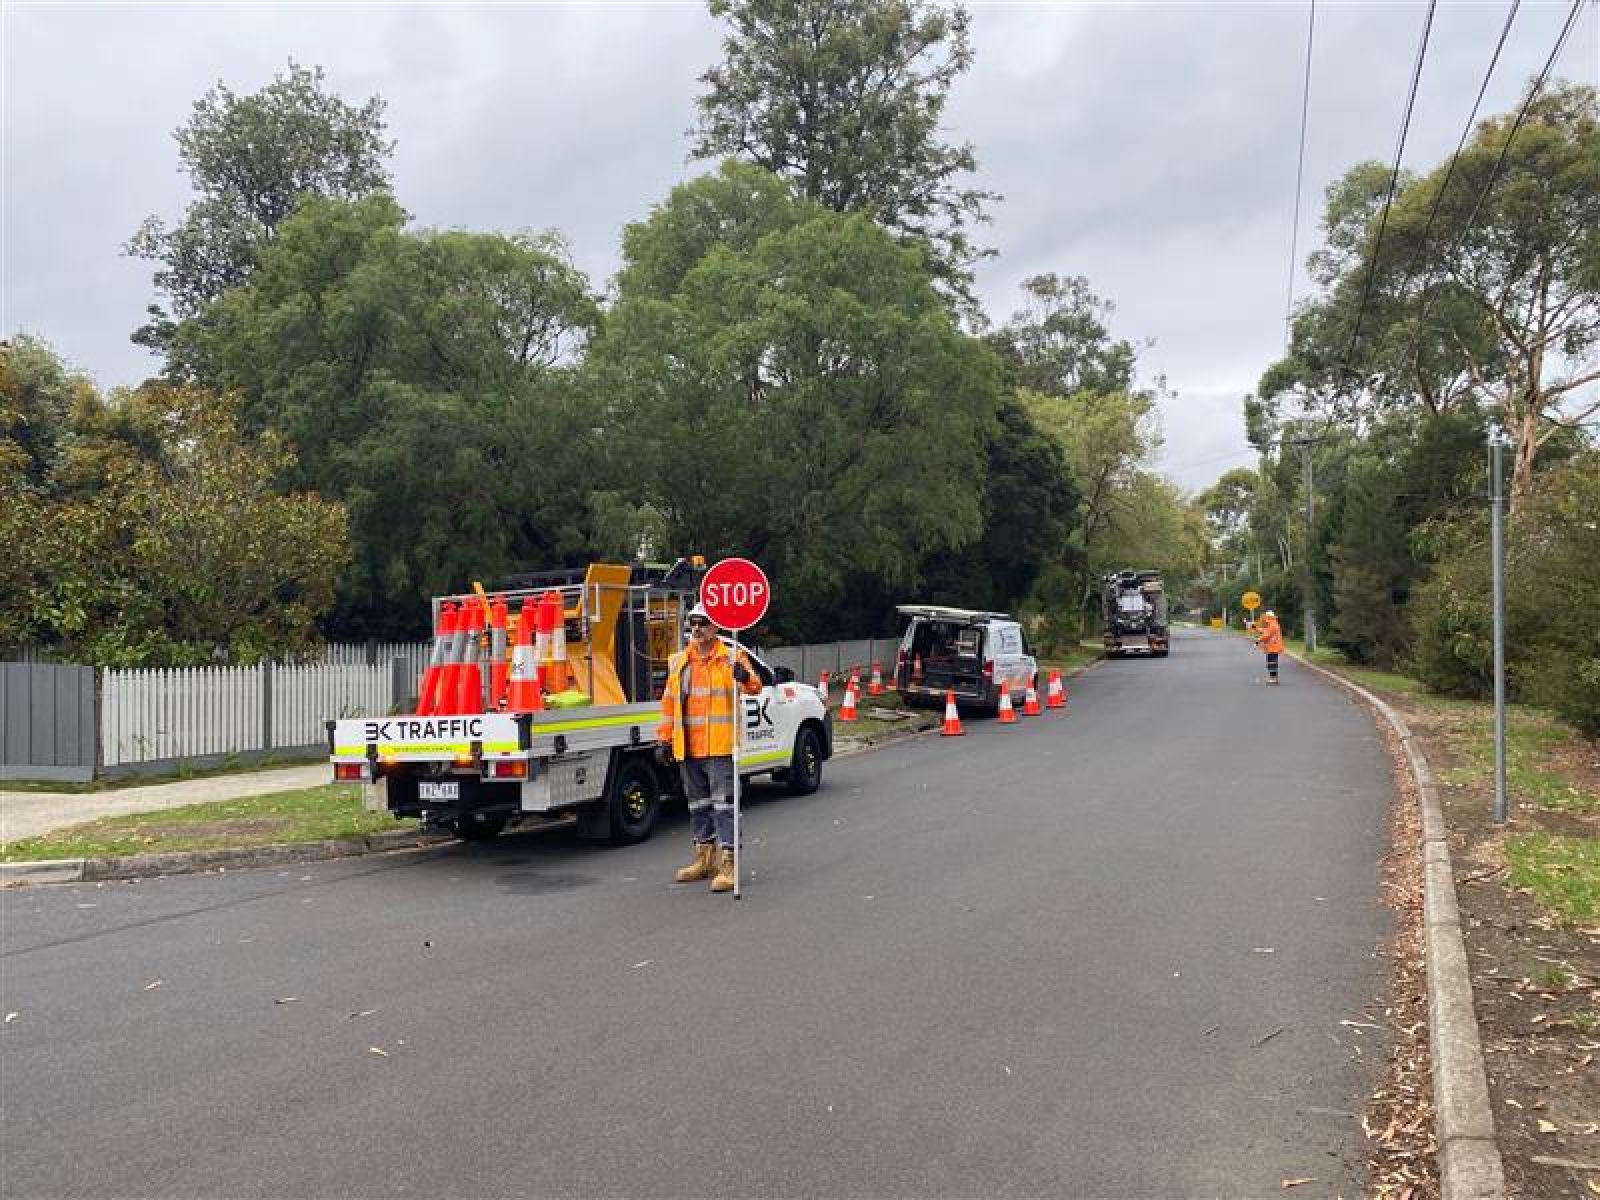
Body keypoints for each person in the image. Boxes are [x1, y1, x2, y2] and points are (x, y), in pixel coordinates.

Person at [657, 602, 765, 892]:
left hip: (719, 747)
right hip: (689, 747)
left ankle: (729, 864)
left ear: (716, 626)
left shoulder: (730, 657)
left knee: (724, 806)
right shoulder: (680, 662)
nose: (697, 629)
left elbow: (755, 686)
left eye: (703, 623)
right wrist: (665, 738)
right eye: (693, 623)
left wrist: (743, 676)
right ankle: (704, 860)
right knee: (698, 806)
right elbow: (669, 703)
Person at [1254, 609, 1284, 684]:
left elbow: (1266, 635)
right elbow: (1265, 631)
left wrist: (1258, 641)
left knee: (1271, 663)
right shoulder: (1273, 624)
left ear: (1269, 617)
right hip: (1273, 647)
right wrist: (1255, 628)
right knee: (1272, 663)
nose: (1265, 620)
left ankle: (1273, 679)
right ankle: (1274, 678)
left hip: (1273, 647)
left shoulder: (1272, 625)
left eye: (1266, 618)